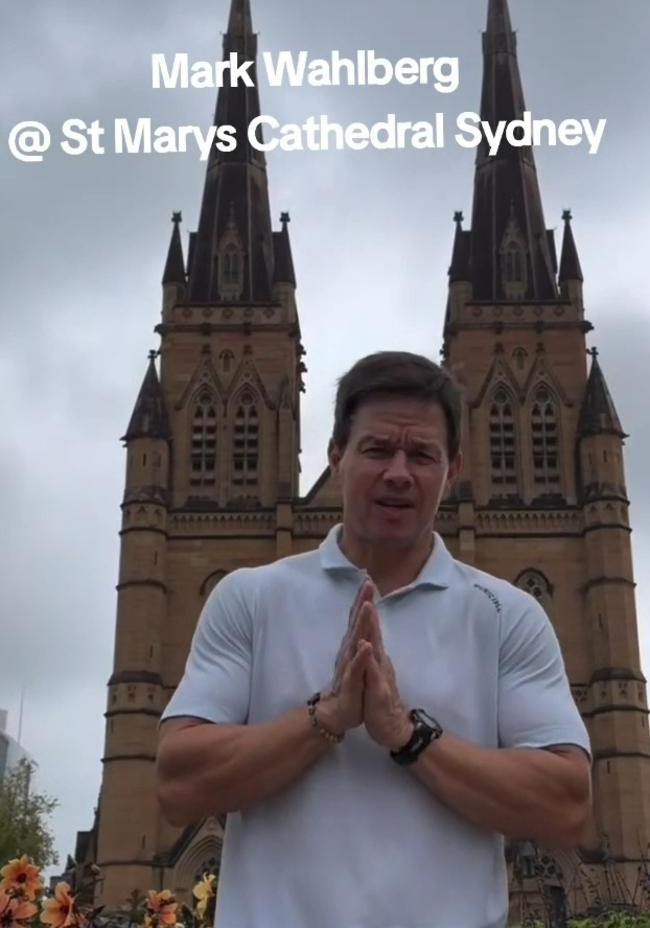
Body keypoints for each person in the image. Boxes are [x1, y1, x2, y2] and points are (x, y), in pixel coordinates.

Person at [156, 351, 591, 928]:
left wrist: (408, 736)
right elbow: (177, 784)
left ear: (454, 469)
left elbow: (566, 805)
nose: (398, 472)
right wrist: (327, 717)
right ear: (337, 457)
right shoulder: (250, 598)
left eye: (422, 454)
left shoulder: (507, 614)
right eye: (378, 449)